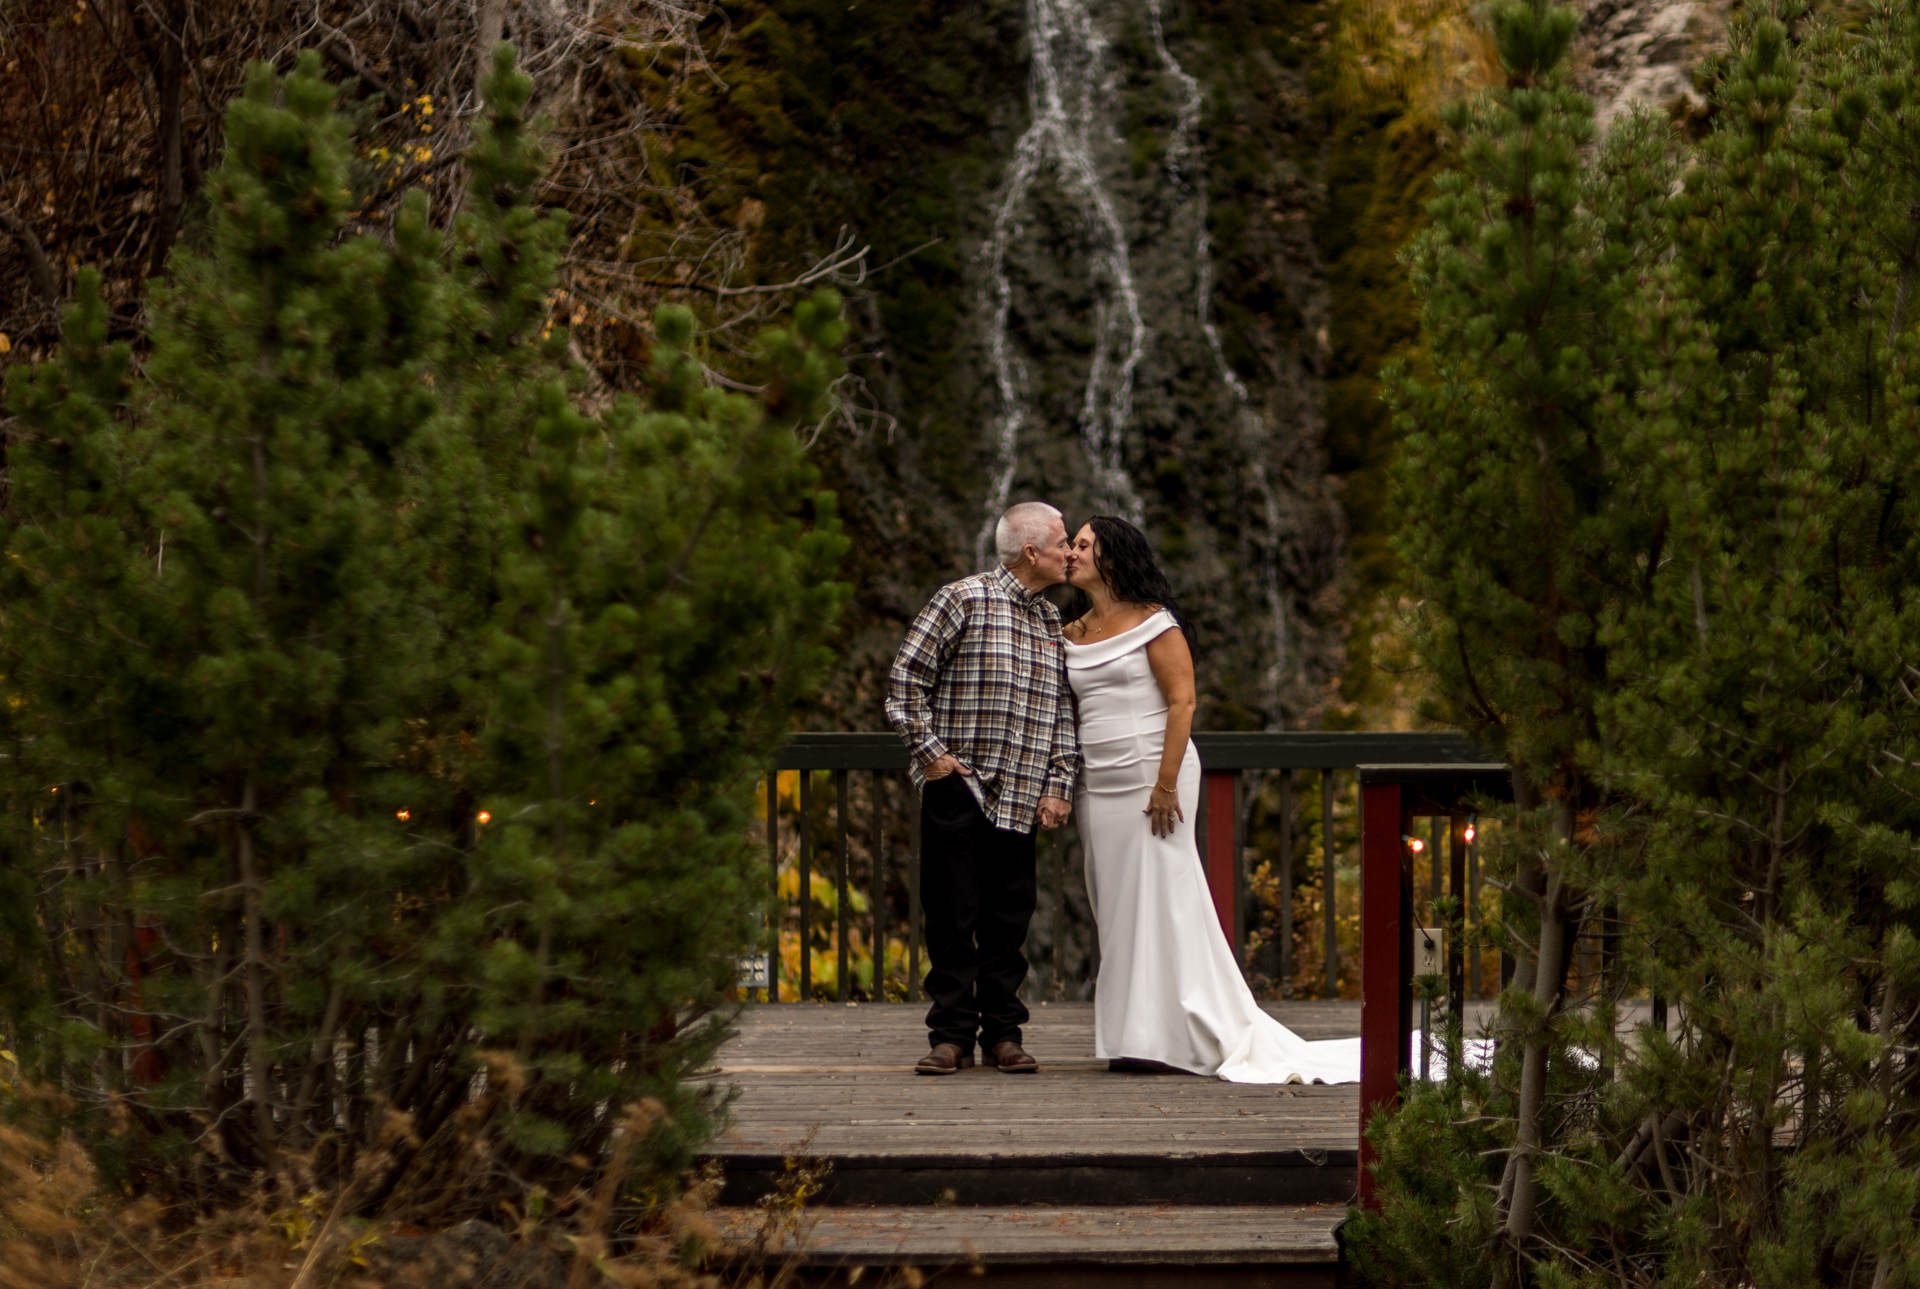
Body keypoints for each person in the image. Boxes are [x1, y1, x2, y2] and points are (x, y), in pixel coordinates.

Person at [1062, 515, 1359, 1083]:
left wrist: (1166, 783)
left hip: (1156, 774)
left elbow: (1183, 702)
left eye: (1082, 544)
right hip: (1097, 782)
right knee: (1116, 905)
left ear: (1112, 556)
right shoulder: (1069, 634)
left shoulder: (1155, 623)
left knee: (1166, 900)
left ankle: (1184, 1032)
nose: (1071, 553)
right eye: (1070, 544)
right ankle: (1133, 1036)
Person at [885, 501, 1080, 1076]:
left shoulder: (1049, 621)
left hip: (1023, 795)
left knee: (1008, 919)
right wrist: (934, 756)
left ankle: (1003, 1035)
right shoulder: (961, 599)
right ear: (1031, 551)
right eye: (1064, 542)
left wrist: (1059, 783)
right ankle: (949, 1036)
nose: (1071, 552)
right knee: (951, 914)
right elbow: (904, 683)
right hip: (960, 788)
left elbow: (1062, 714)